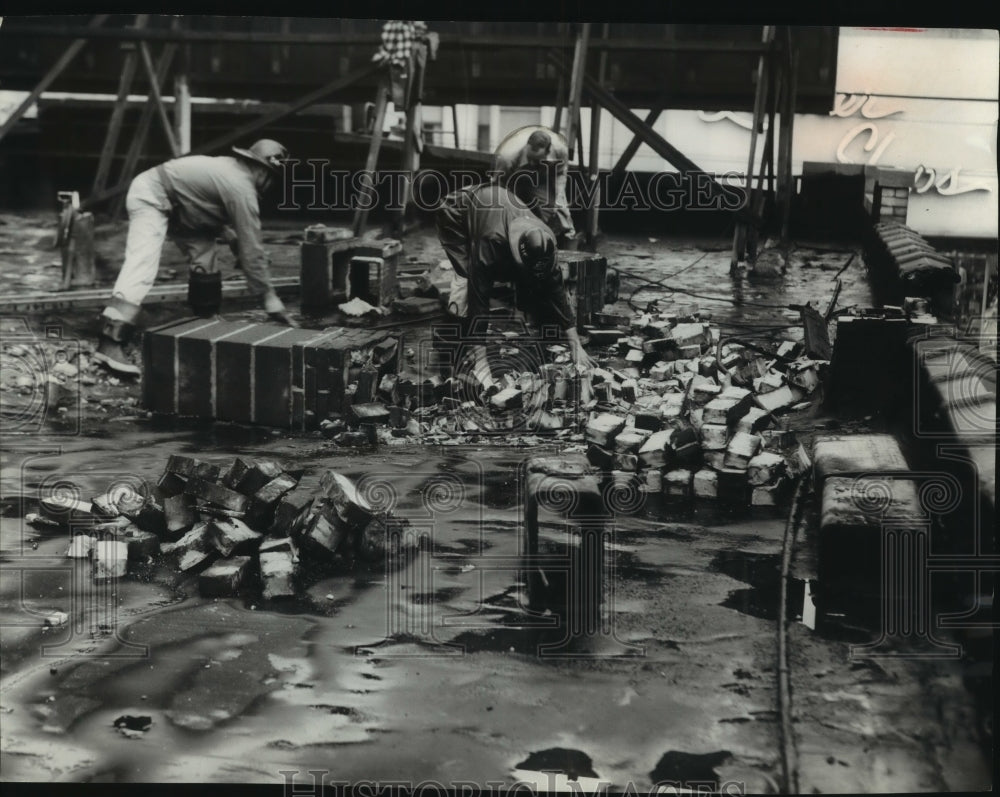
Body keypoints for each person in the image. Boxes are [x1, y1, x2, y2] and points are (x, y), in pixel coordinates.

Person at [93, 138, 297, 377]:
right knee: (142, 265)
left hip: (182, 206)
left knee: (206, 258)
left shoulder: (233, 171)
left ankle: (206, 323)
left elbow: (203, 203)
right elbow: (252, 247)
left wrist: (234, 241)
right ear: (261, 170)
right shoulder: (241, 187)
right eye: (271, 177)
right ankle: (109, 343)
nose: (270, 184)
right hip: (152, 193)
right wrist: (268, 296)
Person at [435, 182, 594, 391]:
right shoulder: (490, 242)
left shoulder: (544, 242)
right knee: (465, 282)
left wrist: (575, 343)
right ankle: (447, 350)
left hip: (495, 210)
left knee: (529, 278)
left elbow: (555, 288)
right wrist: (482, 361)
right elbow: (479, 296)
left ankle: (503, 332)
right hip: (457, 212)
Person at [492, 125, 577, 250]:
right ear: (527, 147)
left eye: (536, 160)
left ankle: (565, 241)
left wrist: (558, 198)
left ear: (548, 152)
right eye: (530, 158)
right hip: (514, 179)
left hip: (543, 176)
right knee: (506, 212)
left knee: (560, 210)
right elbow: (498, 187)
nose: (532, 163)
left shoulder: (560, 150)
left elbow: (560, 174)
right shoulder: (507, 157)